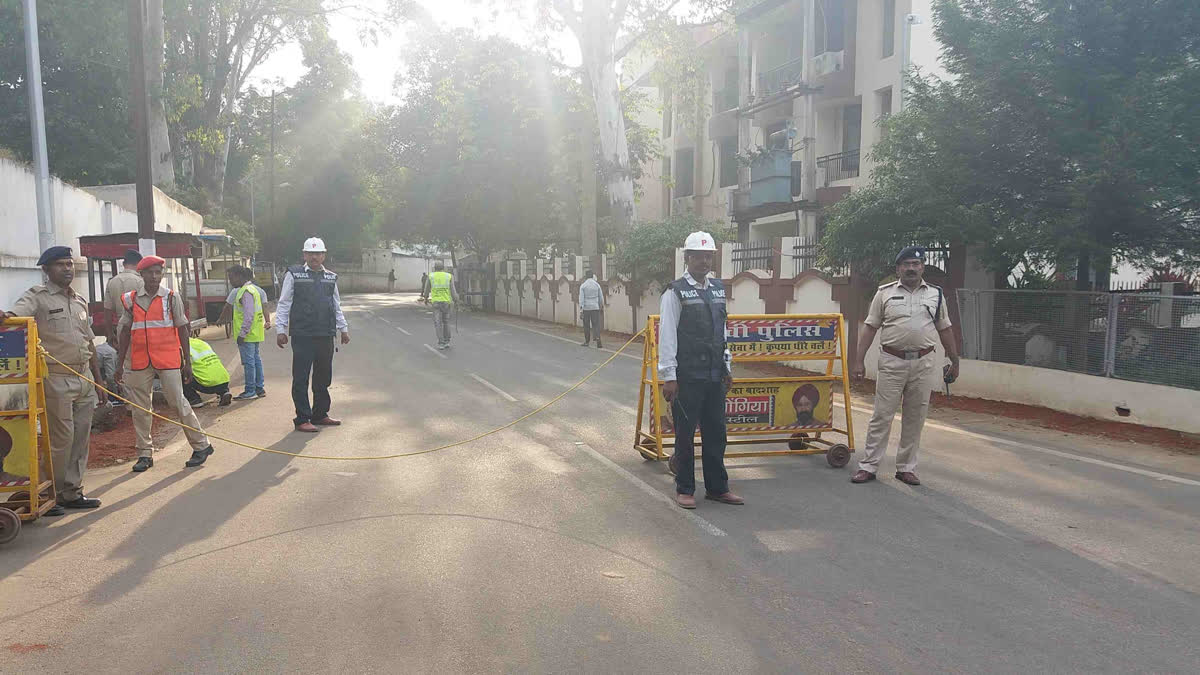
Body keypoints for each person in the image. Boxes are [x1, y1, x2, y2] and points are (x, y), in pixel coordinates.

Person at [3, 246, 108, 514]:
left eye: (70, 264)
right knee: (61, 439)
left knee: (81, 438)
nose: (67, 269)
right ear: (46, 269)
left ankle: (72, 492)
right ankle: (49, 494)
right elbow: (16, 316)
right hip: (56, 378)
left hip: (83, 376)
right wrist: (7, 317)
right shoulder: (37, 297)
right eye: (61, 264)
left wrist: (99, 381)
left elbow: (89, 343)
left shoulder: (79, 301)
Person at [850, 246, 960, 486]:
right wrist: (858, 361)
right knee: (882, 415)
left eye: (916, 264)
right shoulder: (884, 293)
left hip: (923, 362)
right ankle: (868, 466)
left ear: (922, 267)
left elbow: (945, 328)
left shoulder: (936, 294)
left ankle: (906, 468)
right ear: (898, 268)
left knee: (915, 416)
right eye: (907, 264)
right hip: (891, 361)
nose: (911, 268)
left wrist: (954, 358)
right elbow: (870, 327)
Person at [660, 231, 744, 509]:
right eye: (699, 256)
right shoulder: (674, 292)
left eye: (709, 256)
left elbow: (723, 331)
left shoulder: (717, 289)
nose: (704, 261)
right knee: (685, 435)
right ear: (688, 258)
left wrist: (727, 366)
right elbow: (668, 335)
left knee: (716, 433)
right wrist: (668, 376)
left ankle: (717, 488)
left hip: (714, 374)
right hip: (687, 376)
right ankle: (685, 488)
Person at [115, 255, 216, 472]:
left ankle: (201, 445)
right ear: (141, 275)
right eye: (149, 272)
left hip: (167, 359)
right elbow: (124, 331)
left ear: (162, 274)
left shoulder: (171, 297)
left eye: (158, 272)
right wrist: (120, 362)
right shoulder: (130, 299)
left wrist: (187, 362)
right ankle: (144, 453)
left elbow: (182, 328)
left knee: (178, 401)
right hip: (139, 360)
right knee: (140, 408)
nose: (154, 276)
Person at [275, 237, 350, 433]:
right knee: (301, 377)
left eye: (318, 253)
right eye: (310, 253)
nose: (314, 257)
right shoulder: (294, 274)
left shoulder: (331, 277)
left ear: (324, 255)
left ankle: (320, 414)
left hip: (325, 334)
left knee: (323, 377)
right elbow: (284, 303)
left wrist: (343, 329)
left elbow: (336, 305)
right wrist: (280, 330)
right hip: (302, 334)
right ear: (304, 255)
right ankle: (302, 418)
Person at [227, 265, 268, 400]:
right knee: (256, 360)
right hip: (255, 333)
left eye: (231, 278)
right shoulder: (252, 290)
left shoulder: (245, 291)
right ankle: (259, 388)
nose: (230, 281)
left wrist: (242, 334)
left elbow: (249, 315)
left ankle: (250, 390)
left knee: (249, 362)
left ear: (239, 276)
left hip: (247, 335)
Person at [103, 249, 144, 346]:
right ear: (139, 264)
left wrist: (109, 334)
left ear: (124, 263)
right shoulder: (141, 282)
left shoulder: (112, 282)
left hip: (120, 327)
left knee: (124, 358)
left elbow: (107, 311)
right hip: (139, 327)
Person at [183, 336, 234, 408]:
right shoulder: (201, 342)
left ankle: (194, 399)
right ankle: (224, 392)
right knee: (211, 370)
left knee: (181, 372)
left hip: (207, 385)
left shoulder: (181, 346)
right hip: (224, 380)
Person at [420, 261, 459, 350]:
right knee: (446, 322)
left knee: (438, 323)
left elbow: (426, 289)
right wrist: (456, 300)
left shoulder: (431, 276)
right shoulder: (449, 276)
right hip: (446, 302)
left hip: (436, 303)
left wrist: (425, 298)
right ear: (443, 268)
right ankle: (447, 341)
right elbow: (453, 290)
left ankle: (441, 343)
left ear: (435, 268)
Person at [578, 271, 604, 348]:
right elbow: (601, 297)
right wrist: (601, 306)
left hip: (586, 308)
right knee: (596, 324)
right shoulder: (597, 285)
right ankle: (598, 339)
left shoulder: (583, 286)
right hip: (595, 307)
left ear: (586, 276)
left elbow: (581, 299)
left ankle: (587, 341)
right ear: (592, 276)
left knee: (586, 325)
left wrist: (581, 310)